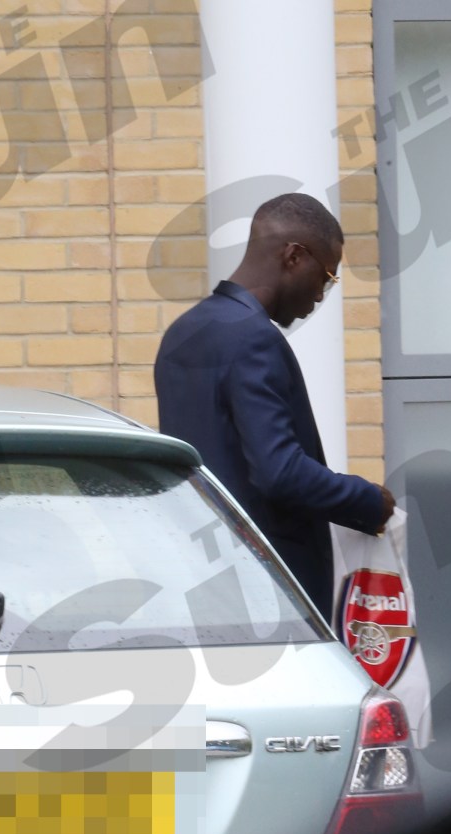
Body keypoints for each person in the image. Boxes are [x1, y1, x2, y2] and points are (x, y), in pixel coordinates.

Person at [154, 192, 395, 619]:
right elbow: (279, 472)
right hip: (269, 595)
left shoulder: (182, 334)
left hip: (200, 585)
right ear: (293, 256)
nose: (320, 297)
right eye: (326, 277)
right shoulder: (253, 337)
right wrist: (367, 501)